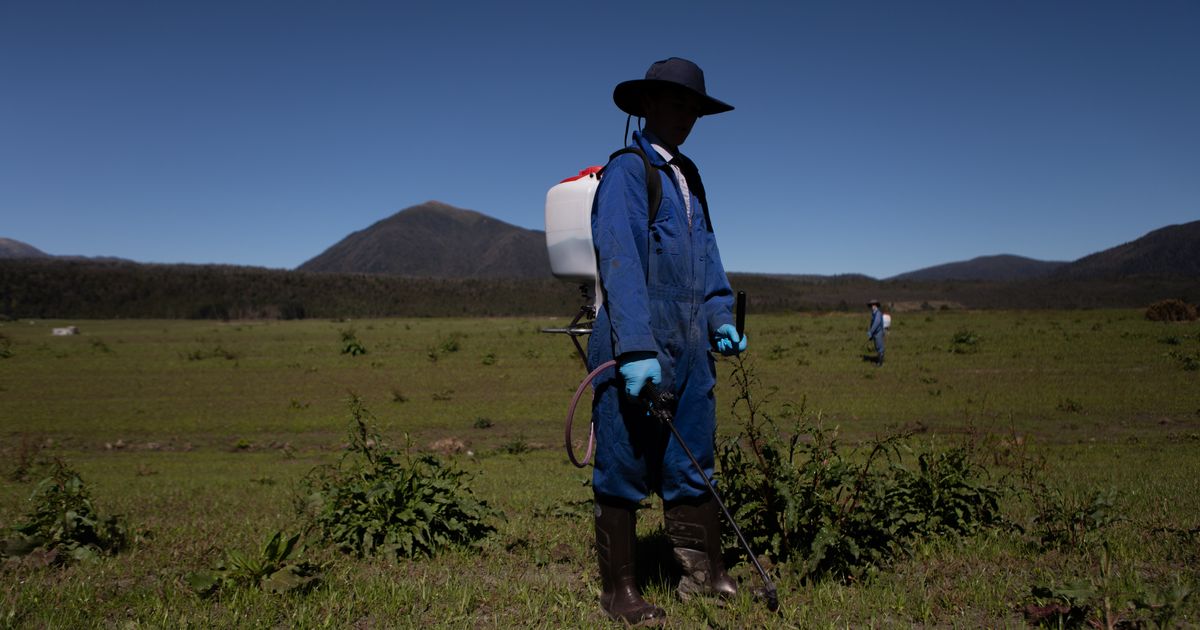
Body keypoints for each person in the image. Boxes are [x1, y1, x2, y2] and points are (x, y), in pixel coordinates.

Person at [587, 57, 746, 625]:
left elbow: (707, 255)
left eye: (693, 108)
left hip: (689, 343)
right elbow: (620, 259)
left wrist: (719, 315)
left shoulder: (690, 177)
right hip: (636, 336)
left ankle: (705, 577)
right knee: (625, 460)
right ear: (648, 106)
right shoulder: (629, 171)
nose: (685, 116)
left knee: (693, 457)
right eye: (675, 103)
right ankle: (619, 591)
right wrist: (634, 347)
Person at [868, 299, 885, 366]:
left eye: (873, 304)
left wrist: (871, 332)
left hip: (878, 332)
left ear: (876, 305)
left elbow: (876, 323)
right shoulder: (874, 313)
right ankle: (879, 362)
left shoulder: (877, 313)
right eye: (871, 305)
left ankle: (880, 363)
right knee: (877, 347)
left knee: (879, 347)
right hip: (875, 333)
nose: (872, 306)